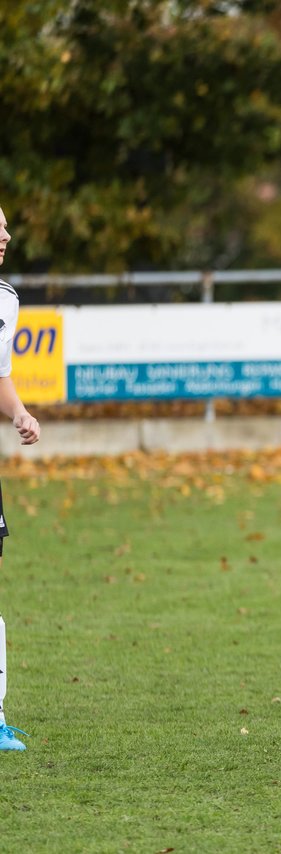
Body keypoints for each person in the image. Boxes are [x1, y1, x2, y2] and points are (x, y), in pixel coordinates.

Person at [0, 205, 42, 752]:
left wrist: (19, 413)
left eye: (6, 225)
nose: (6, 235)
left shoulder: (5, 300)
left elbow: (0, 375)